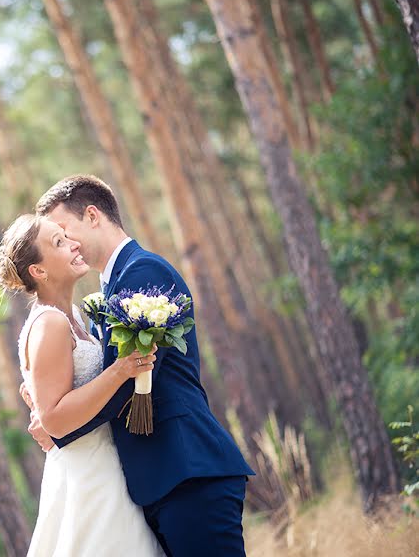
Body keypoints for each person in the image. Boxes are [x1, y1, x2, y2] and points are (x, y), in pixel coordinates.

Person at [24, 175, 255, 557]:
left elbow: (127, 382)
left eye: (64, 232)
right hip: (156, 480)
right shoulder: (109, 290)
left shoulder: (142, 272)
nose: (66, 245)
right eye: (56, 241)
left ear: (93, 216)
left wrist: (59, 428)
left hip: (187, 468)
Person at [0, 213, 164, 557]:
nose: (73, 244)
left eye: (67, 236)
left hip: (107, 464)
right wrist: (119, 371)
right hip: (88, 475)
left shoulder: (72, 313)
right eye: (58, 242)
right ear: (38, 271)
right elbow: (53, 418)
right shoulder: (50, 323)